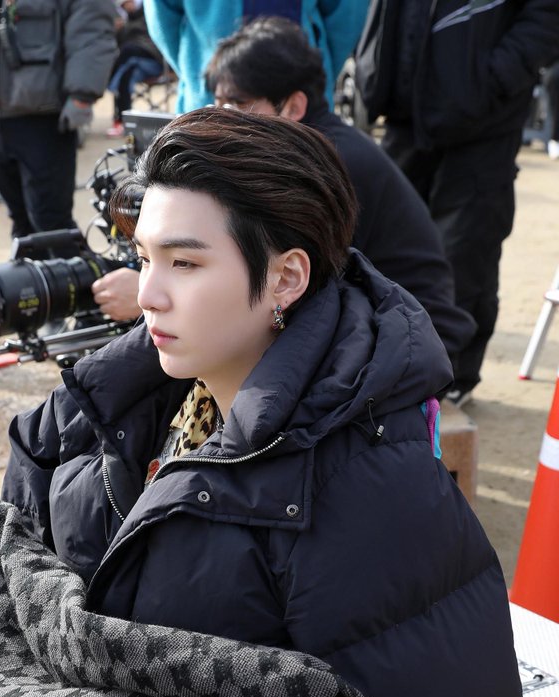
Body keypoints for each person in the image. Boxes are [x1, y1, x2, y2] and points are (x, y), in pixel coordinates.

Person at [4, 107, 525, 697]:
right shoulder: (146, 385)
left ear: (285, 278)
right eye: (143, 256)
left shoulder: (365, 492)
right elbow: (27, 496)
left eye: (185, 262)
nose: (146, 293)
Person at [93, 14, 476, 371]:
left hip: (409, 338)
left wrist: (160, 302)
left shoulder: (325, 165)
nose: (224, 115)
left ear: (293, 105)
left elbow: (304, 296)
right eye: (219, 101)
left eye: (239, 103)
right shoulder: (307, 151)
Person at [355, 0, 559, 407]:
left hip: (482, 123)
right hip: (404, 113)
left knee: (465, 249)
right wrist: (370, 69)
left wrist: (495, 75)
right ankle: (387, 364)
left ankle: (451, 376)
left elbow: (546, 13)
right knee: (384, 247)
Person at [0, 0, 117, 237]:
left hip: (42, 117)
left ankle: (65, 261)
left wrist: (82, 95)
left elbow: (91, 27)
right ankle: (30, 258)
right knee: (20, 217)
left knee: (51, 220)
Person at [143, 0, 368, 112]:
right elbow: (163, 17)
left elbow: (347, 15)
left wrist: (315, 73)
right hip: (210, 100)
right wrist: (200, 69)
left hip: (299, 102)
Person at [107, 1, 164, 138]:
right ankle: (121, 121)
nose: (125, 8)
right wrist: (118, 30)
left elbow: (144, 38)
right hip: (134, 63)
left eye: (125, 4)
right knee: (124, 75)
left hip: (154, 60)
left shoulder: (150, 9)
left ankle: (109, 81)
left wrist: (125, 26)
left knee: (127, 51)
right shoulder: (126, 17)